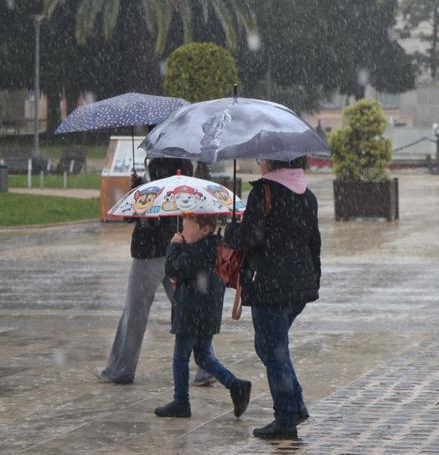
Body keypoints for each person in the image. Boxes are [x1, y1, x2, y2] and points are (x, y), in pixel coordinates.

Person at [225, 155, 321, 441]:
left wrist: (232, 231)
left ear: (271, 161)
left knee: (272, 350)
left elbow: (250, 239)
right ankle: (295, 405)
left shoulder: (263, 192)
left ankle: (286, 418)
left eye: (261, 158)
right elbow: (314, 240)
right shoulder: (307, 195)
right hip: (299, 287)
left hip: (270, 285)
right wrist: (314, 277)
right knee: (274, 348)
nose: (258, 162)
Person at [95, 157, 212, 387]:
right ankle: (207, 365)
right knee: (188, 308)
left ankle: (121, 368)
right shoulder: (183, 161)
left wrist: (137, 188)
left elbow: (142, 211)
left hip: (150, 251)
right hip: (176, 246)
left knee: (134, 313)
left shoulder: (158, 163)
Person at [154, 215, 252, 419]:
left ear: (204, 229)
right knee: (203, 355)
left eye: (187, 224)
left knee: (181, 357)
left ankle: (181, 402)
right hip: (206, 313)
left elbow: (173, 269)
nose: (182, 227)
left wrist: (173, 247)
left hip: (191, 312)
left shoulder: (200, 251)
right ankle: (236, 385)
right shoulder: (211, 247)